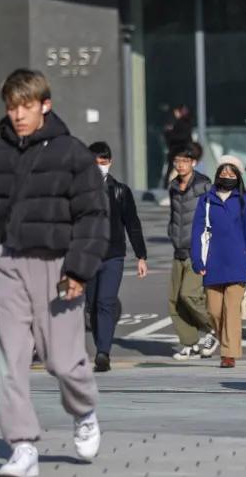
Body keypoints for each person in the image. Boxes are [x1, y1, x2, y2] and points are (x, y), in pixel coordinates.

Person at [0, 69, 109, 475]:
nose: (18, 115)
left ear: (44, 105)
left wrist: (78, 270)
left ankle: (84, 411)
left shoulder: (72, 153)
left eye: (27, 106)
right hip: (6, 264)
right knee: (10, 360)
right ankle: (22, 446)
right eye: (12, 107)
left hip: (58, 266)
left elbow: (93, 215)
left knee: (63, 361)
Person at [85, 142, 148, 372]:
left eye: (103, 163)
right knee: (91, 305)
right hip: (87, 257)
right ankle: (100, 345)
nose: (99, 167)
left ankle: (103, 353)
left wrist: (141, 256)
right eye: (95, 163)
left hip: (113, 256)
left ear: (109, 163)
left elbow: (133, 224)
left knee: (106, 302)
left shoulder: (120, 190)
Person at [191, 162, 246, 368]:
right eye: (223, 173)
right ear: (217, 176)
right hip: (213, 262)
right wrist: (197, 260)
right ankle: (225, 342)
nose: (227, 176)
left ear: (238, 178)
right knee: (214, 311)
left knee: (231, 310)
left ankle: (229, 353)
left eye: (231, 173)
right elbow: (197, 232)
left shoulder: (244, 201)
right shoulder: (206, 200)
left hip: (239, 262)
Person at [168, 146, 217, 360]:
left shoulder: (204, 185)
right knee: (174, 300)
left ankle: (215, 327)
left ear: (193, 163)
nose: (180, 165)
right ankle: (189, 343)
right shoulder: (173, 186)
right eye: (177, 161)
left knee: (189, 294)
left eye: (185, 161)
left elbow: (213, 215)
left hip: (196, 249)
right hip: (178, 248)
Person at [163, 104, 193, 187]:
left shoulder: (183, 123)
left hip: (180, 150)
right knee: (173, 170)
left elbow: (181, 137)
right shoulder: (178, 122)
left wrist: (170, 132)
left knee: (179, 170)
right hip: (176, 150)